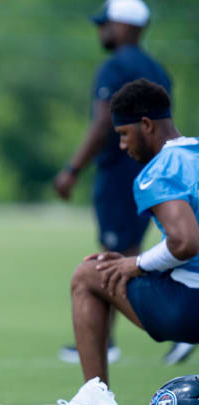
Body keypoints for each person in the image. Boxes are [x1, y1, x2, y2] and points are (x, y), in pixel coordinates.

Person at [51, 0, 193, 365]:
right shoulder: (159, 73)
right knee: (129, 252)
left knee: (93, 272)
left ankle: (100, 370)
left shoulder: (155, 170)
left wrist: (72, 169)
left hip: (119, 179)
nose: (101, 31)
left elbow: (186, 241)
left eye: (106, 24)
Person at [68, 79, 199, 394]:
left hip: (189, 305)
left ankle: (94, 398)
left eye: (124, 135)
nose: (124, 146)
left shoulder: (160, 169)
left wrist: (137, 264)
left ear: (146, 125)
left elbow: (186, 242)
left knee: (88, 276)